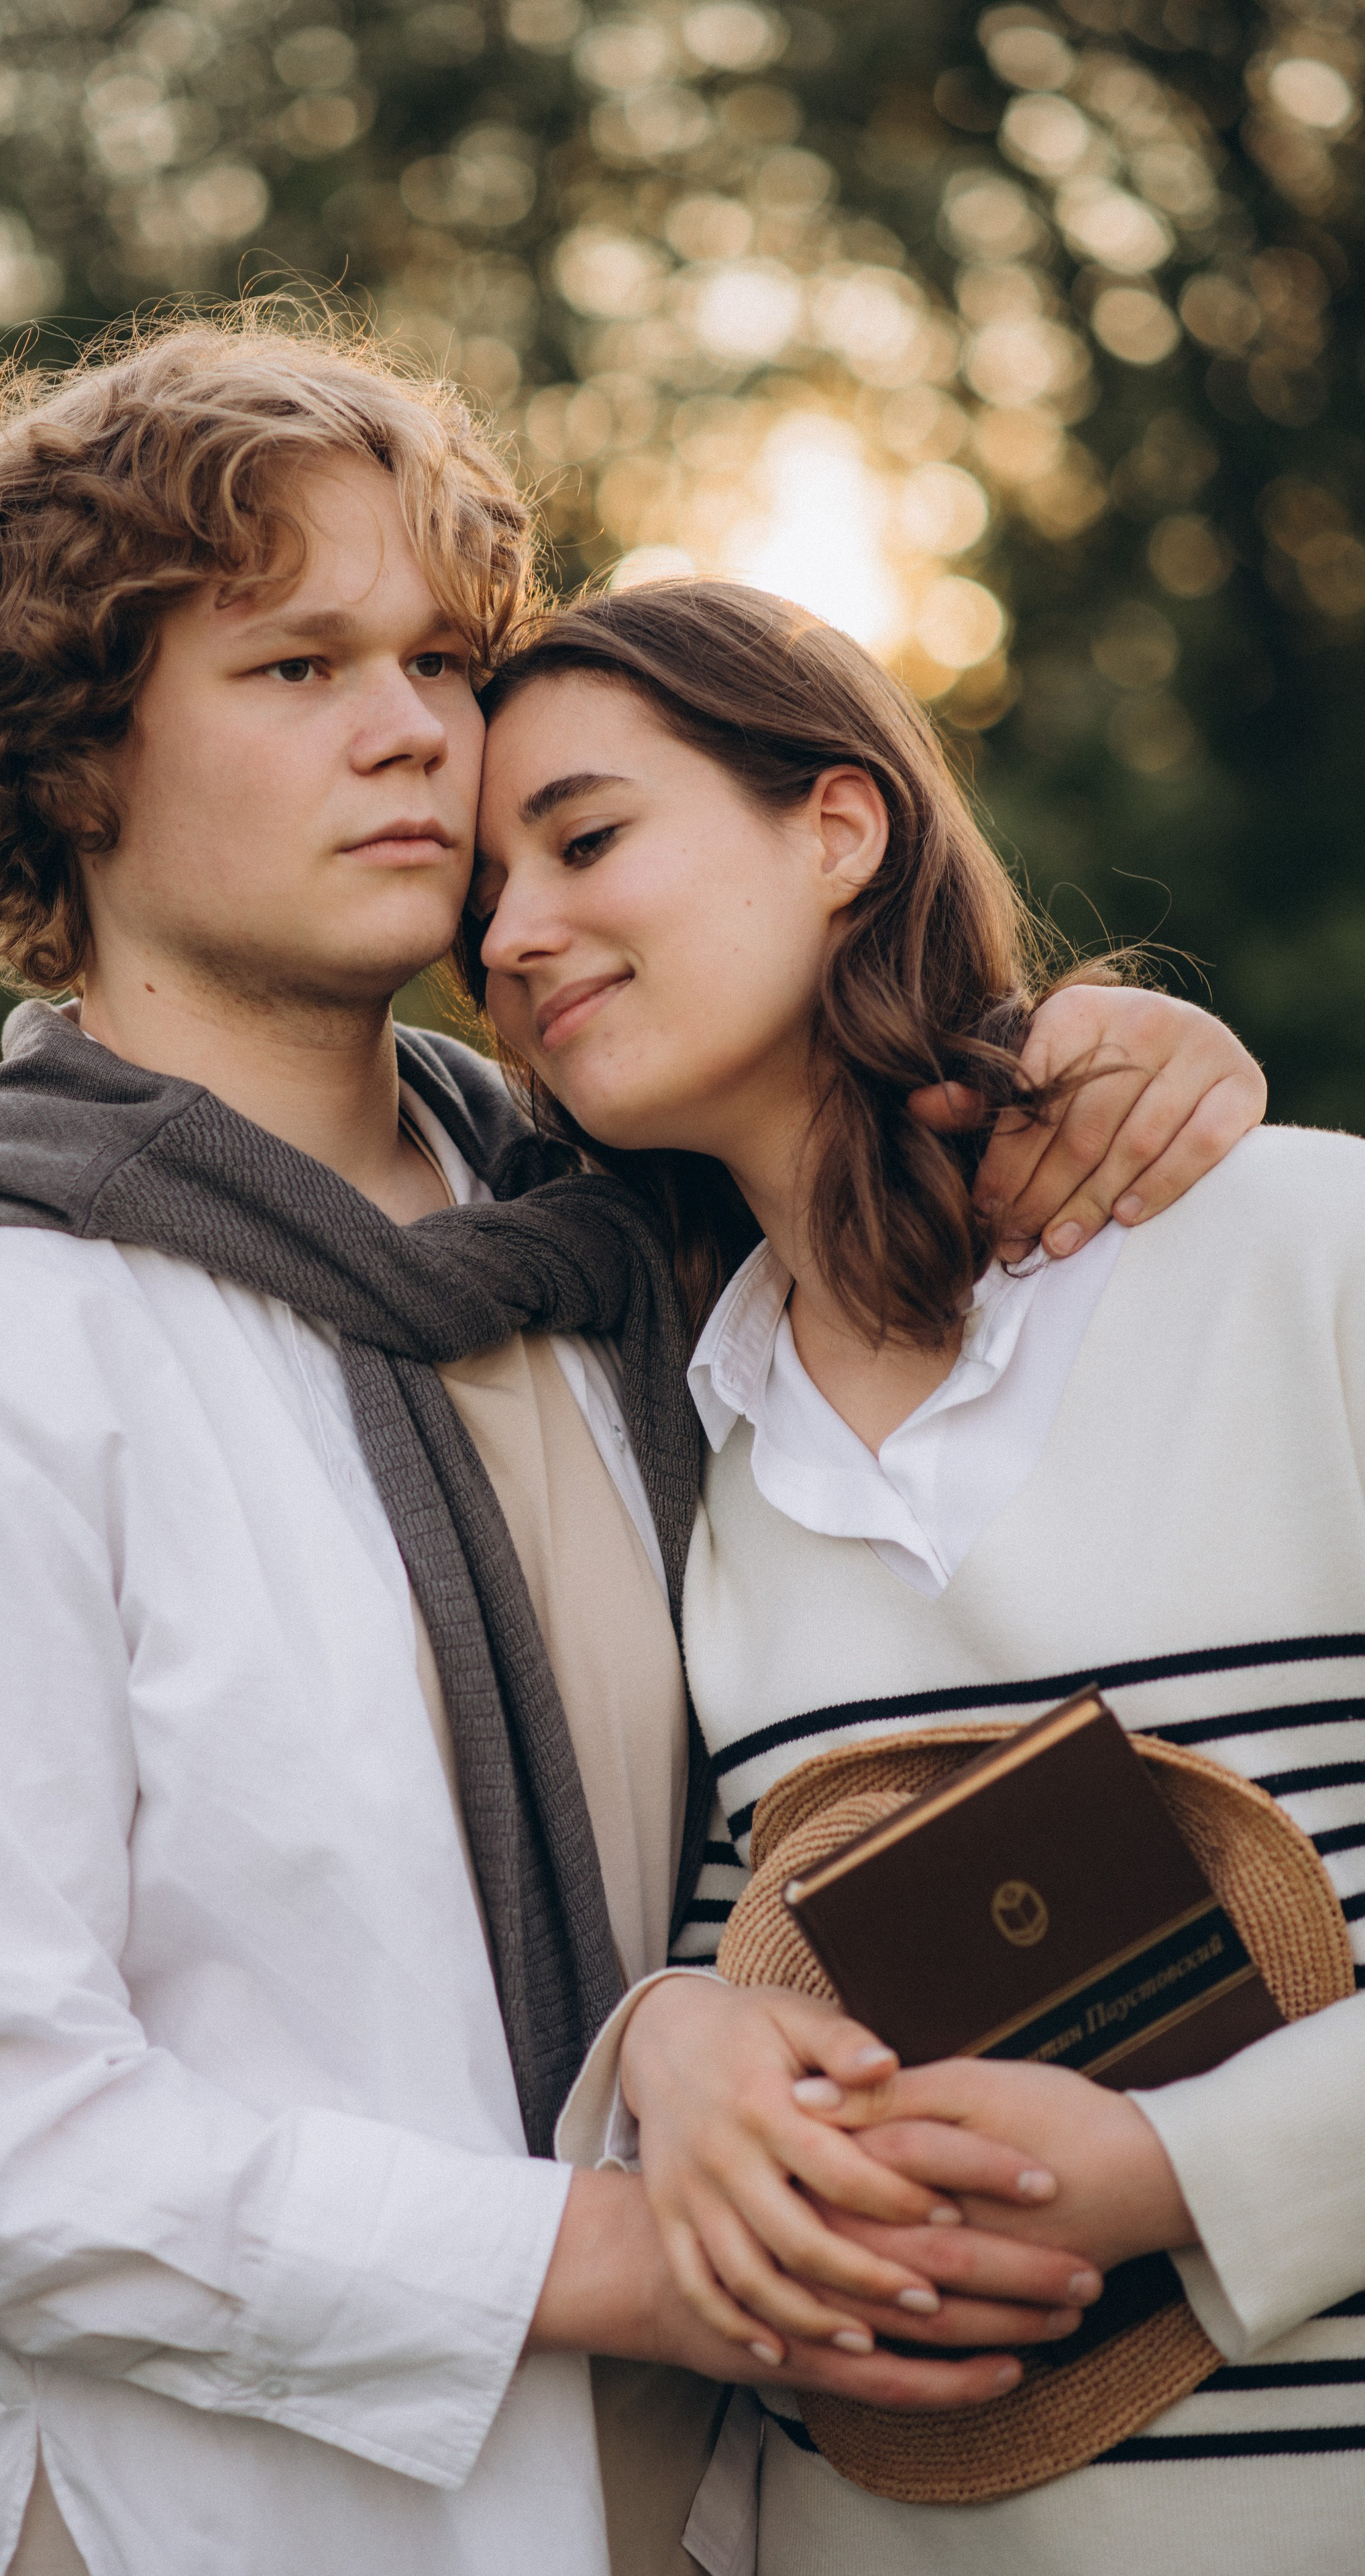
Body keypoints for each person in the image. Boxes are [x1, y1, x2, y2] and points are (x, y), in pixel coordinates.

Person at [0, 320, 1265, 2576]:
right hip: (230, 2525)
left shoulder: (625, 1235)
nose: (414, 735)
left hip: (744, 2504)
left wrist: (1132, 1056)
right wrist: (652, 2263)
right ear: (74, 762)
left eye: (446, 660)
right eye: (294, 666)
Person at [467, 578, 1365, 2575]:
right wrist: (674, 2053)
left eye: (587, 838)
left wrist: (1181, 2168)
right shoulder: (674, 1455)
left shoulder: (1312, 1260)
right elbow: (741, 1965)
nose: (516, 937)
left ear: (839, 826)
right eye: (482, 904)